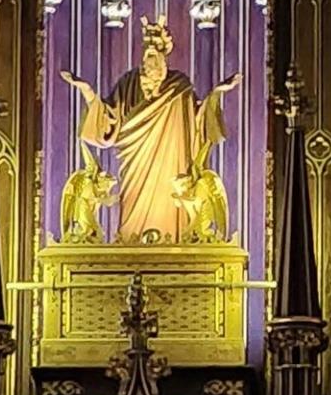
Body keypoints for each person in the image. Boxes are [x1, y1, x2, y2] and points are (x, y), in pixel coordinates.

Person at [66, 19, 227, 246]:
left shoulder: (179, 87)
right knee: (131, 222)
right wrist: (88, 93)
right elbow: (108, 120)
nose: (148, 68)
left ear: (163, 62)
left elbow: (199, 122)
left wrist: (216, 95)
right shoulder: (128, 84)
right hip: (135, 167)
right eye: (145, 62)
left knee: (174, 211)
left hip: (171, 164)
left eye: (153, 62)